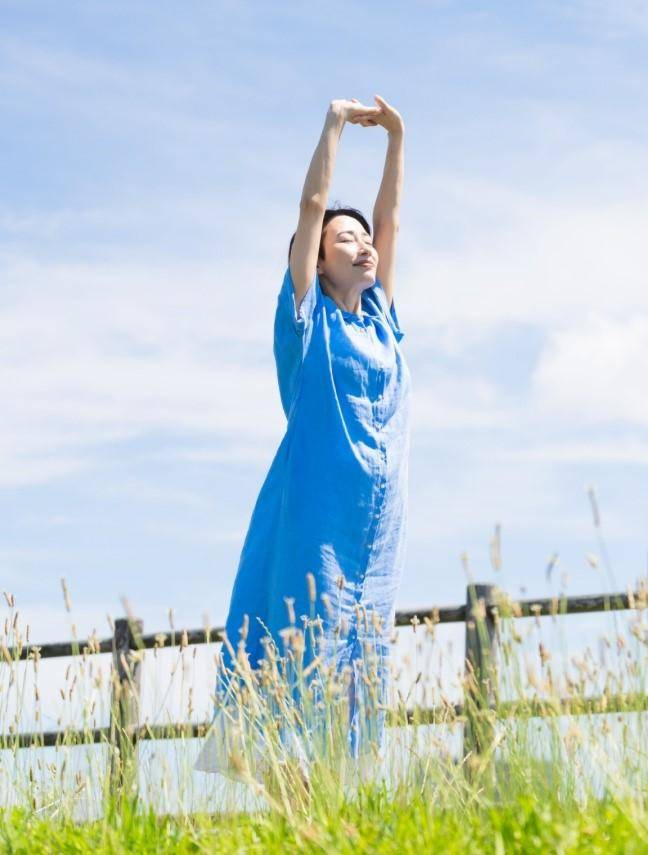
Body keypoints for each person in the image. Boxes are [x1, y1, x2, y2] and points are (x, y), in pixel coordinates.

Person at [194, 95, 409, 790]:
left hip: (372, 529)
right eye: (344, 239)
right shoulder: (306, 321)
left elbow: (391, 222)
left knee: (358, 673)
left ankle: (328, 817)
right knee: (301, 658)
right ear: (313, 263)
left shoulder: (381, 320)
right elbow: (312, 204)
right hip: (313, 516)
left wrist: (398, 138)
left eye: (363, 238)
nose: (363, 243)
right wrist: (336, 124)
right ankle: (294, 803)